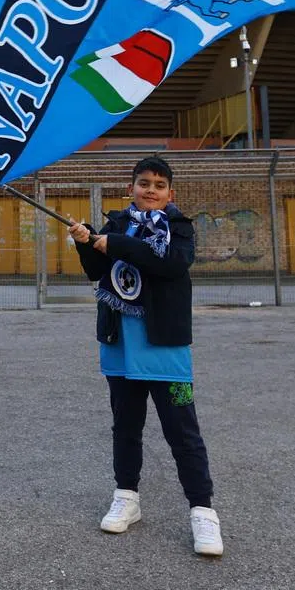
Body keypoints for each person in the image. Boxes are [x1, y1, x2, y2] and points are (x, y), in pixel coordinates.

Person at [67, 155, 222, 557]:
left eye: (158, 184)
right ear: (131, 187)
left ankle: (202, 511)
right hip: (119, 345)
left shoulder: (179, 228)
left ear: (171, 192)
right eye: (143, 183)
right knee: (126, 426)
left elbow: (170, 265)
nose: (150, 190)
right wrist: (86, 242)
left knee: (183, 432)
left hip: (166, 349)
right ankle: (126, 496)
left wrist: (115, 243)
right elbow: (96, 270)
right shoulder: (116, 223)